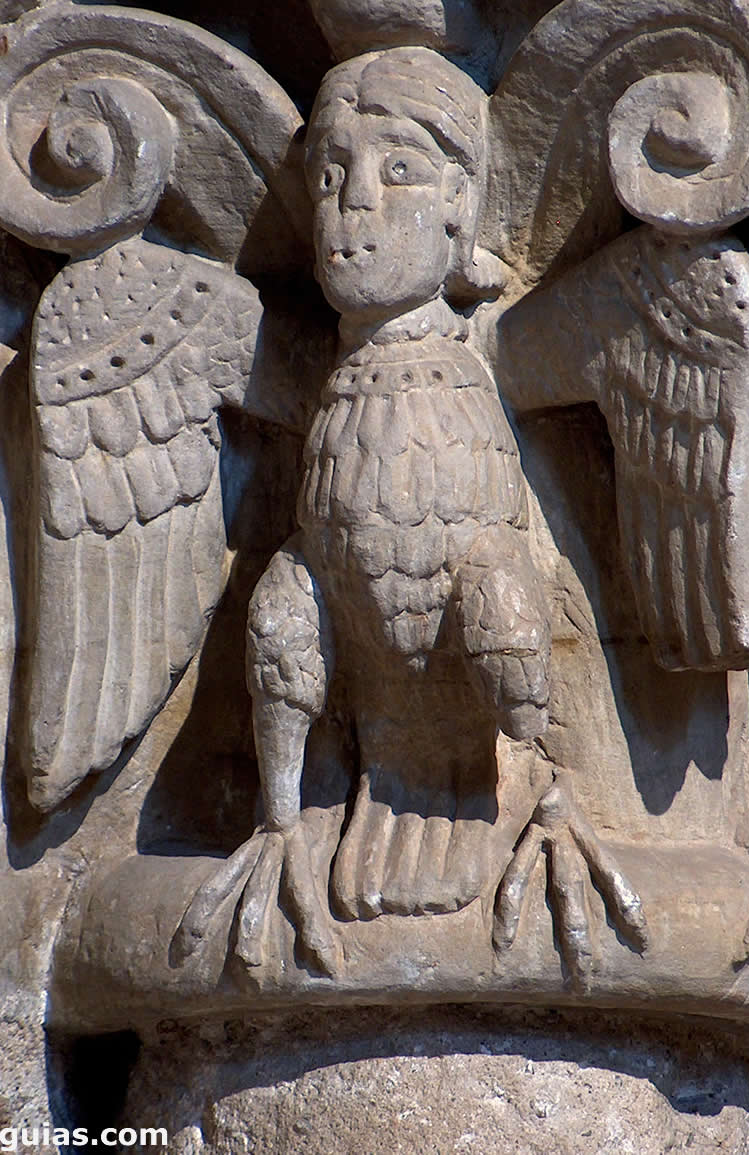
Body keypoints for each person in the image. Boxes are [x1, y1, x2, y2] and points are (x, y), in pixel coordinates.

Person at [244, 47, 551, 976]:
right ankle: (278, 824)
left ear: (464, 206)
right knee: (285, 604)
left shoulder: (498, 352)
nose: (354, 202)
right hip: (364, 732)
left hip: (481, 740)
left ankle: (554, 806)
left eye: (400, 170)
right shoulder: (312, 372)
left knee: (502, 593)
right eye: (331, 174)